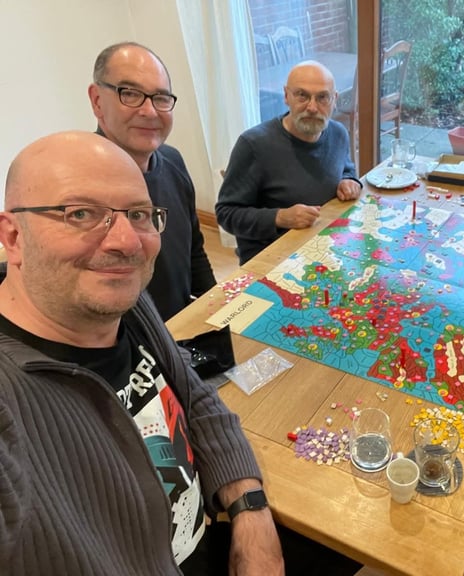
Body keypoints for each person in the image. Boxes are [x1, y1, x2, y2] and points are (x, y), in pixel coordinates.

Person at [0, 131, 283, 575]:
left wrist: (250, 510)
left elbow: (192, 392)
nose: (127, 242)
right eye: (81, 213)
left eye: (138, 214)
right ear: (14, 236)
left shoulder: (124, 303)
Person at [88, 42, 234, 377]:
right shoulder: (78, 188)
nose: (149, 111)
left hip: (181, 339)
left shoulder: (173, 161)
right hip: (125, 364)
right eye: (130, 93)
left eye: (161, 97)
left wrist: (216, 316)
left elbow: (193, 251)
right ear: (97, 100)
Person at [216, 60, 362, 265]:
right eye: (302, 95)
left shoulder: (338, 134)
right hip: (272, 260)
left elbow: (346, 169)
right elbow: (226, 214)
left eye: (322, 97)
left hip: (326, 245)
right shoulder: (253, 145)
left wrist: (349, 181)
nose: (312, 107)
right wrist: (279, 217)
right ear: (286, 96)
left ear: (334, 99)